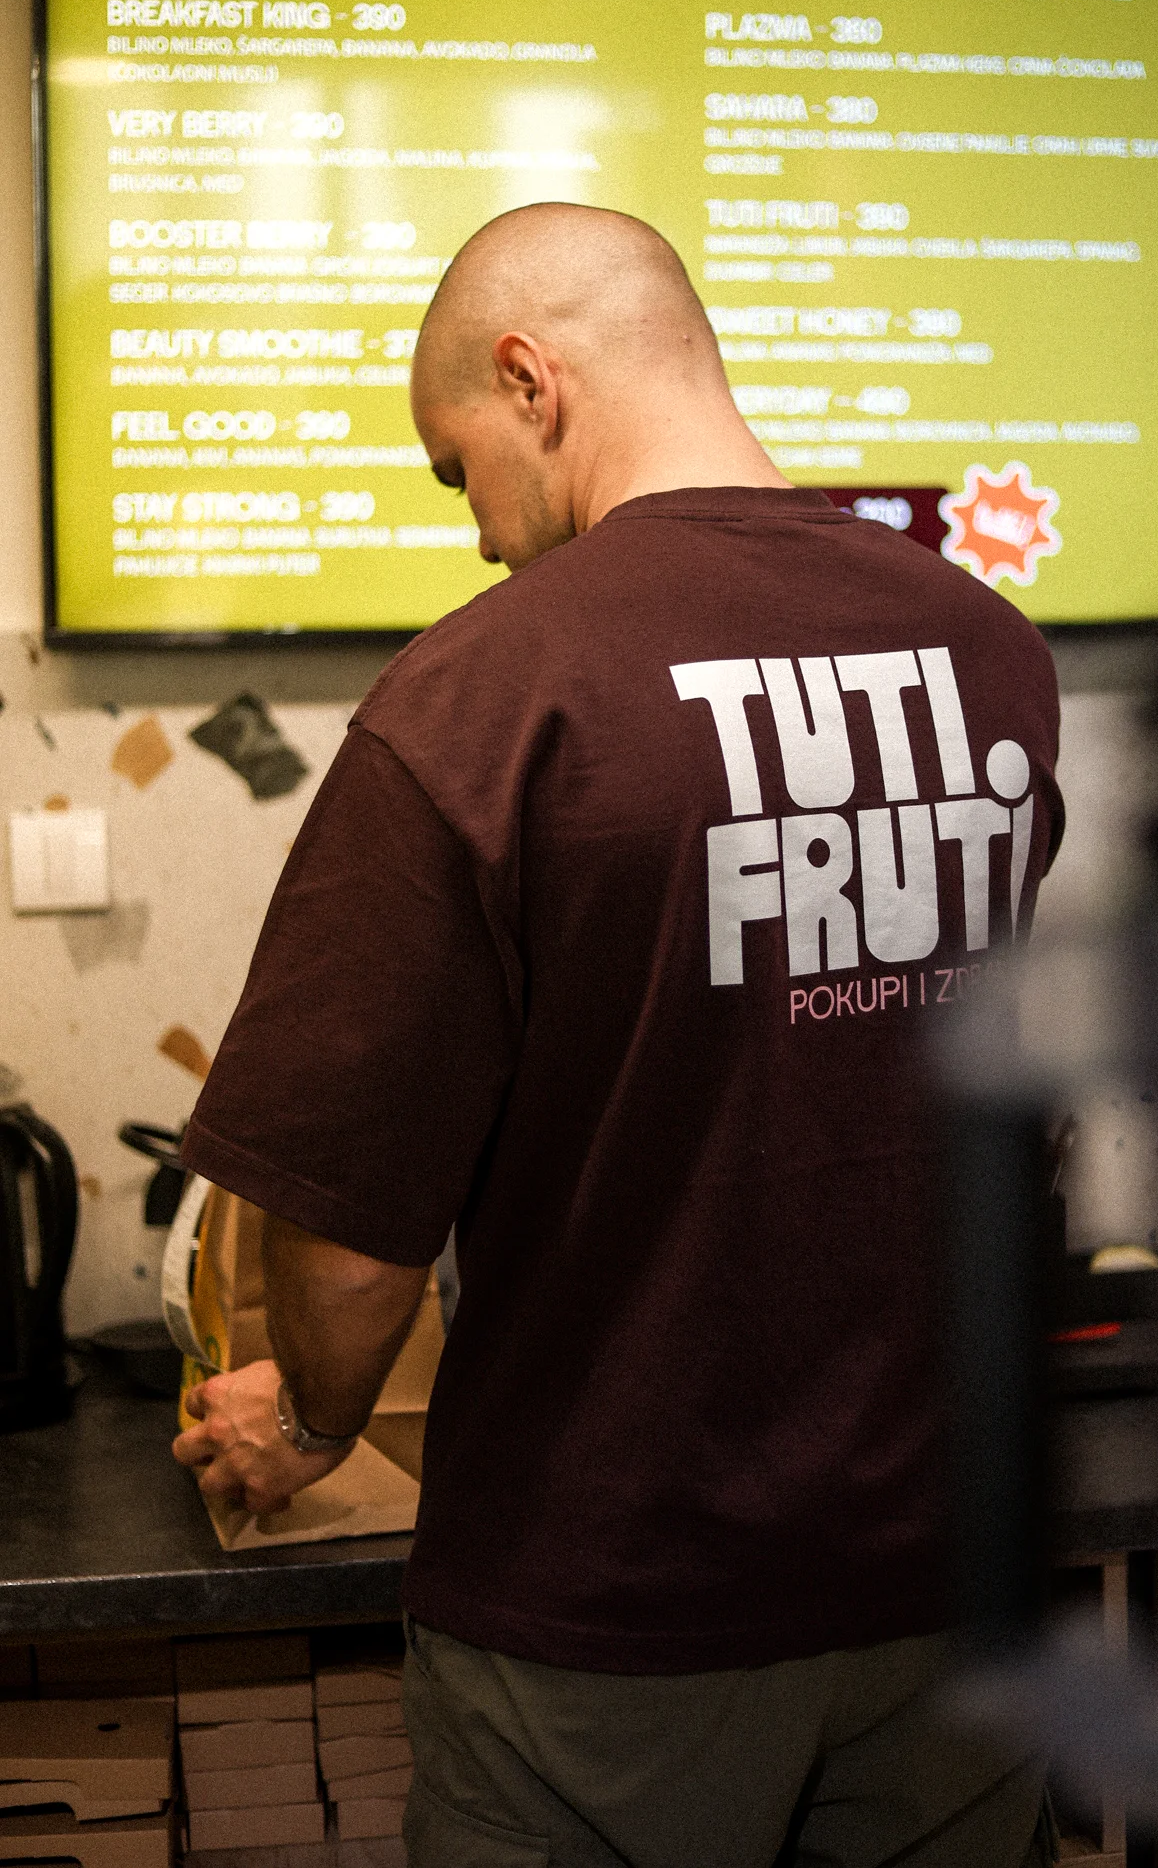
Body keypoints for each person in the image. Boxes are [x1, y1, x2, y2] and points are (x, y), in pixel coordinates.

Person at [172, 203, 1066, 1867]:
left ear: (532, 381)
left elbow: (351, 1236)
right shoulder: (991, 655)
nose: (477, 534)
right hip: (951, 1573)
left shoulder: (482, 697)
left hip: (614, 1618)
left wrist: (306, 1420)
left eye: (458, 470)